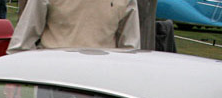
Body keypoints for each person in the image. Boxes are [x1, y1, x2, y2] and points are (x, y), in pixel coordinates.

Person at [7, 0, 141, 54]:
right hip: (56, 81)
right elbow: (23, 41)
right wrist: (13, 80)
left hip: (104, 84)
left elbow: (130, 47)